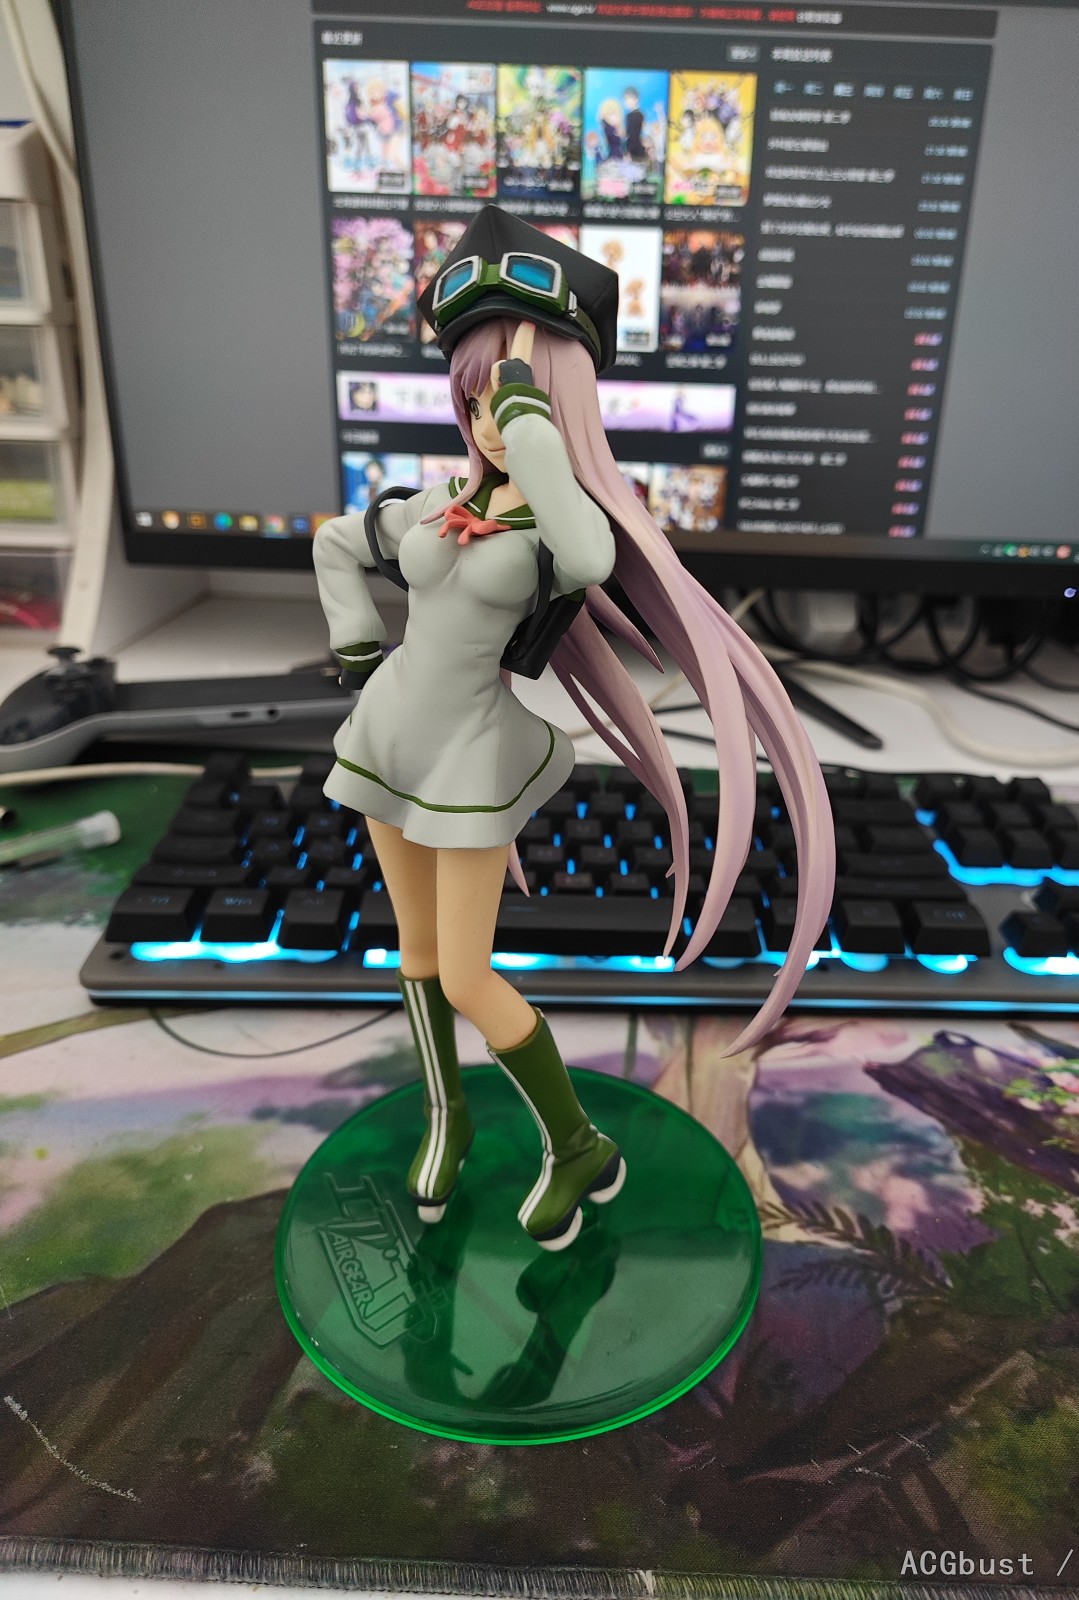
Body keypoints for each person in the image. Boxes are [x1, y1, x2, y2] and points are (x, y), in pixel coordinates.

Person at [313, 208, 833, 1252]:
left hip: (467, 754)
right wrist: (357, 647)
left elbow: (593, 559)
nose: (487, 418)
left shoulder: (555, 524)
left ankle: (579, 1145)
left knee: (469, 974)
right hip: (388, 734)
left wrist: (531, 417)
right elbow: (335, 540)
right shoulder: (441, 499)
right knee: (414, 951)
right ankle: (449, 1118)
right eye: (474, 397)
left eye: (510, 397)